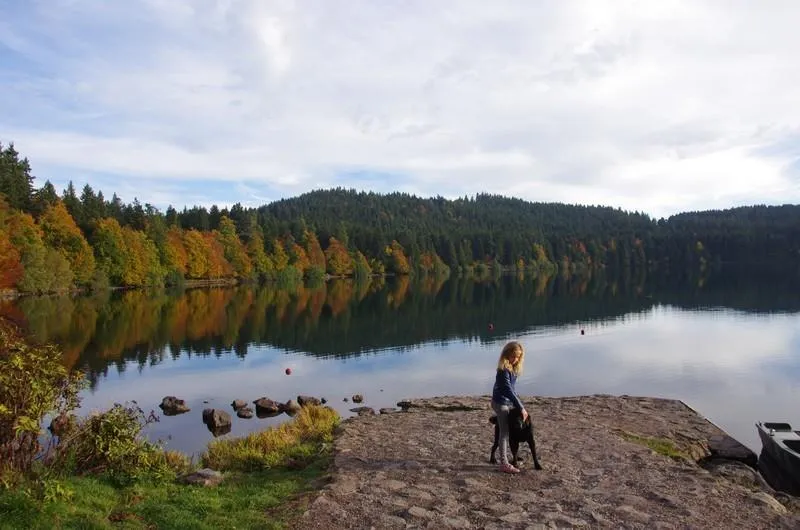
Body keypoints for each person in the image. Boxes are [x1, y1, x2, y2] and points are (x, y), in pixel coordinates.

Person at [491, 340, 528, 474]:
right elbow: (508, 390)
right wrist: (521, 407)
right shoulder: (503, 370)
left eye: (518, 357)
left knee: (508, 430)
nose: (515, 359)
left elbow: (512, 389)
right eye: (513, 356)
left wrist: (517, 404)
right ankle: (504, 464)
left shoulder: (512, 369)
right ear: (506, 355)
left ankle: (509, 457)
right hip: (500, 403)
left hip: (506, 402)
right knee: (504, 433)